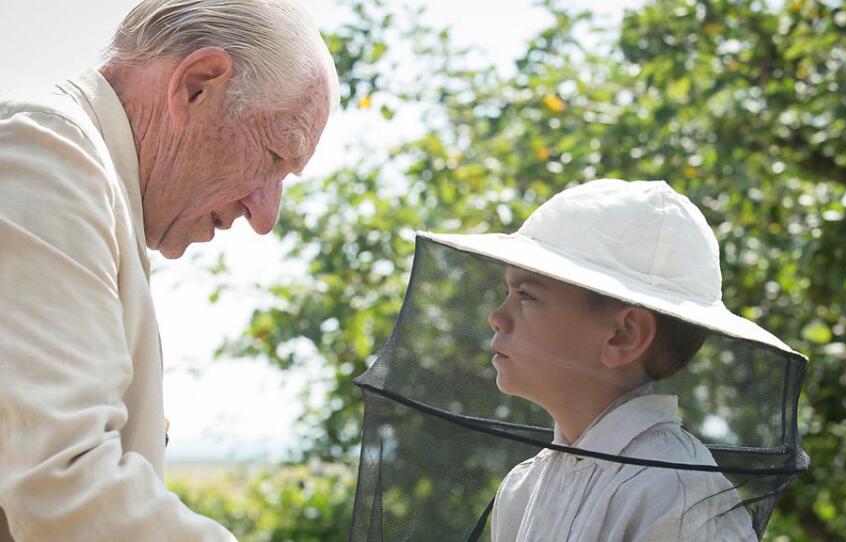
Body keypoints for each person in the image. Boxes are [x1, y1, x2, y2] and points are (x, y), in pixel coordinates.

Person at [0, 1, 339, 540]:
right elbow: (61, 484)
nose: (265, 215)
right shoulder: (47, 153)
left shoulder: (91, 179)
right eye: (274, 156)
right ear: (197, 85)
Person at [424, 179, 769, 541]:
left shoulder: (675, 495)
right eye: (507, 292)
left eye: (526, 295)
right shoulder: (522, 489)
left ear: (624, 335)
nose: (496, 316)